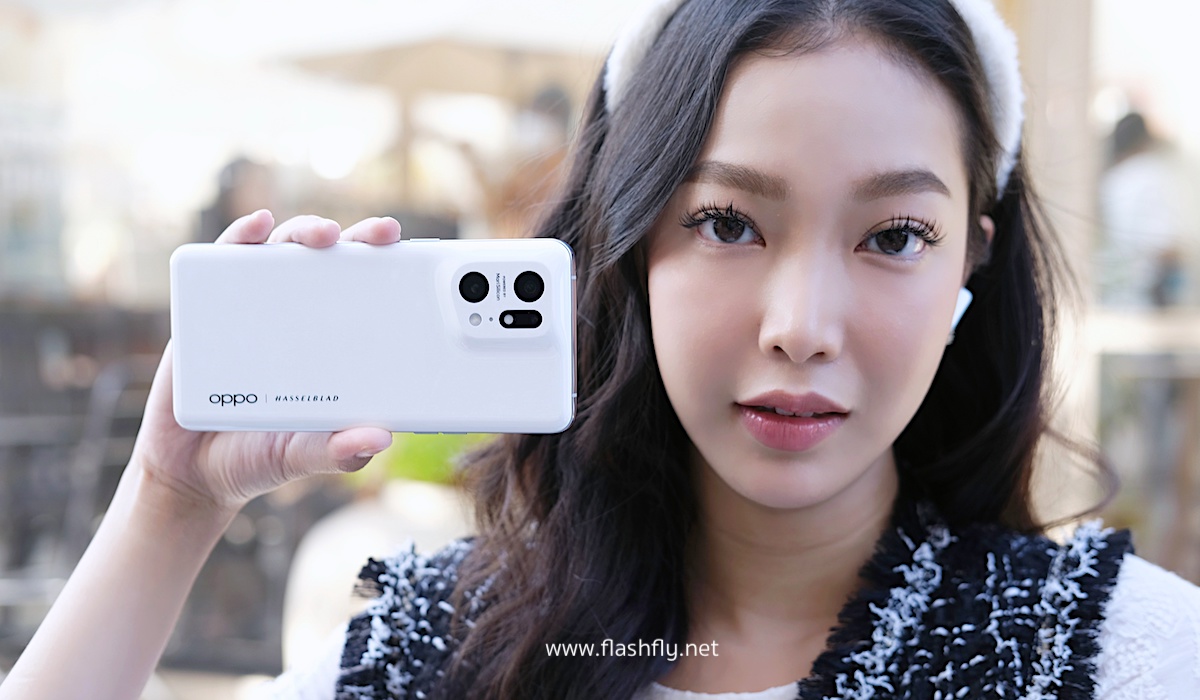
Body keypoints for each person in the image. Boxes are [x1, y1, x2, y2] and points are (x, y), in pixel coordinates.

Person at [4, 1, 1200, 698]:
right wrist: (167, 505)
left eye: (893, 236)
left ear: (969, 263)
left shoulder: (1112, 655)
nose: (801, 324)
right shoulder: (445, 649)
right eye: (727, 222)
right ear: (629, 245)